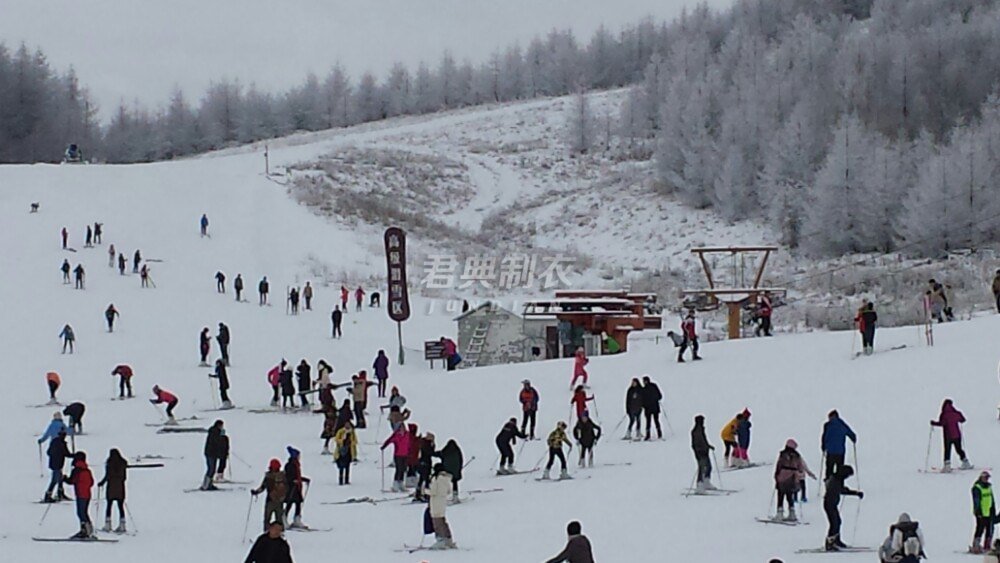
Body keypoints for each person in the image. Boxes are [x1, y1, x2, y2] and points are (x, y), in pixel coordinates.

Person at [774, 438, 816, 522]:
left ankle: (780, 513)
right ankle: (792, 513)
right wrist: (800, 475)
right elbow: (800, 466)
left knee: (781, 495)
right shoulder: (797, 456)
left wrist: (776, 475)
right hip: (793, 477)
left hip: (782, 476)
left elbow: (779, 465)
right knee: (790, 495)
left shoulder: (783, 455)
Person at [823, 465, 863, 551]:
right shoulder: (835, 480)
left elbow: (841, 489)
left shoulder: (837, 479)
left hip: (832, 504)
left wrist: (855, 493)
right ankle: (830, 542)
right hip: (830, 504)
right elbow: (841, 490)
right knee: (834, 523)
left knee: (837, 522)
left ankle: (836, 540)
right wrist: (855, 493)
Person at [931, 398, 972, 471]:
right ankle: (966, 462)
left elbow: (942, 423)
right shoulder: (955, 412)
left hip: (948, 436)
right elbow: (963, 420)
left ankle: (947, 466)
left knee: (947, 450)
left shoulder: (944, 414)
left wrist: (933, 423)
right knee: (959, 449)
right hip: (957, 435)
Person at [251, 459, 288, 531]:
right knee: (279, 519)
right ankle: (280, 533)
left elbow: (262, 487)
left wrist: (255, 492)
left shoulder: (268, 477)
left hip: (270, 500)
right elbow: (287, 487)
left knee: (267, 519)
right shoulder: (283, 476)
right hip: (280, 501)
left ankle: (267, 533)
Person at [65, 451, 95, 538]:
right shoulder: (87, 470)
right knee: (84, 512)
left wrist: (64, 479)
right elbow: (91, 482)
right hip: (87, 494)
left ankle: (85, 530)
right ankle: (88, 529)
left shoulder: (76, 470)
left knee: (81, 513)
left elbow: (71, 481)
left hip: (80, 493)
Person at [98, 448, 128, 533]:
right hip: (120, 488)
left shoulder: (109, 464)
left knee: (109, 506)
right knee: (120, 506)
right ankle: (122, 525)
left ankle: (108, 524)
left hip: (111, 487)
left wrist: (101, 483)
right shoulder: (122, 464)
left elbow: (107, 476)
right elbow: (124, 477)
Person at [428, 463, 458, 549]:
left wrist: (424, 490)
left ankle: (440, 540)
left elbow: (433, 491)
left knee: (437, 522)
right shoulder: (447, 479)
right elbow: (448, 491)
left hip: (435, 502)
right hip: (442, 502)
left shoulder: (437, 479)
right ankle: (448, 539)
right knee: (442, 521)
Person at [821, 410, 857, 478]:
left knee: (829, 470)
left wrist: (823, 447)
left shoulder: (827, 425)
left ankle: (828, 484)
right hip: (840, 452)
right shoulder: (842, 424)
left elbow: (824, 437)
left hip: (830, 451)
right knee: (840, 470)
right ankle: (839, 484)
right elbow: (851, 433)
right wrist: (853, 438)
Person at [42, 429, 72, 502]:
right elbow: (66, 453)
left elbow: (49, 452)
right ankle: (48, 495)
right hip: (57, 464)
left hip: (55, 463)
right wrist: (74, 456)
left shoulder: (55, 442)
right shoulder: (61, 443)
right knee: (55, 480)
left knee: (59, 479)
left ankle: (60, 493)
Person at [283, 447, 310, 528]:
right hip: (291, 488)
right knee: (290, 503)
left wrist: (303, 479)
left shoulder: (296, 464)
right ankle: (284, 518)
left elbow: (297, 476)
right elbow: (287, 476)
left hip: (297, 487)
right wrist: (293, 480)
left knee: (298, 504)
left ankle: (297, 519)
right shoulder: (289, 465)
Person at [382, 425, 412, 492]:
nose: (402, 429)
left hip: (405, 454)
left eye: (403, 428)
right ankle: (395, 484)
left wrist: (410, 451)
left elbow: (409, 443)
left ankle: (401, 483)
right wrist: (384, 446)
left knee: (403, 469)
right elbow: (389, 440)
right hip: (398, 455)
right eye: (401, 428)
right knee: (399, 469)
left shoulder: (407, 434)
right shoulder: (396, 435)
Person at [973, 471, 996, 554]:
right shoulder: (977, 487)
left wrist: (993, 509)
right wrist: (978, 511)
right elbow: (976, 501)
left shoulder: (989, 487)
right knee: (980, 529)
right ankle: (976, 545)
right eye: (985, 478)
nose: (986, 479)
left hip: (989, 512)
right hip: (981, 513)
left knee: (990, 529)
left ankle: (987, 545)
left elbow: (991, 499)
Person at [691, 415, 715, 491]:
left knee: (709, 467)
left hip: (704, 450)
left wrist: (708, 446)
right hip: (700, 452)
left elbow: (704, 440)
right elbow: (698, 443)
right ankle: (699, 485)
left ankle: (706, 482)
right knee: (702, 468)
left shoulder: (701, 430)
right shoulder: (696, 431)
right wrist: (702, 449)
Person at [200, 420, 226, 490]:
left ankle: (209, 484)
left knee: (212, 469)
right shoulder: (215, 432)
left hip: (212, 453)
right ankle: (205, 485)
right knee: (211, 469)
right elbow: (217, 442)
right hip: (211, 453)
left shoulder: (215, 432)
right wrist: (223, 437)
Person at [334, 420, 356, 485]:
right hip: (341, 451)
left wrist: (351, 443)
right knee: (341, 466)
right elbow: (336, 439)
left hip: (349, 451)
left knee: (347, 466)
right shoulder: (341, 431)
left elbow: (355, 441)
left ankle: (347, 479)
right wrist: (342, 441)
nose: (347, 426)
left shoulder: (352, 432)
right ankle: (340, 479)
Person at [641, 375, 663, 440]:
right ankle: (656, 434)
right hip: (652, 407)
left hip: (651, 408)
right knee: (652, 421)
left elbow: (659, 396)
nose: (644, 382)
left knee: (652, 421)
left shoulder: (646, 388)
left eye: (644, 381)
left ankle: (653, 435)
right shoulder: (652, 387)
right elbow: (659, 396)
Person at [415, 432, 436, 501]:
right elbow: (430, 452)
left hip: (422, 463)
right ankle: (426, 495)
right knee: (426, 480)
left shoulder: (423, 442)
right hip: (425, 463)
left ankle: (418, 493)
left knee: (421, 479)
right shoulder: (426, 443)